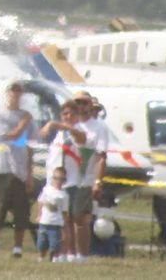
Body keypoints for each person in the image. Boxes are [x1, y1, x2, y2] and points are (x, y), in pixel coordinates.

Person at [0, 81, 37, 258]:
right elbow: (7, 135)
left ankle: (17, 249)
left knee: (21, 211)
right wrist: (23, 124)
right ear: (7, 93)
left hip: (19, 170)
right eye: (12, 91)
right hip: (1, 167)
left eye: (18, 91)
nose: (15, 94)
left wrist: (30, 174)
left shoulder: (27, 117)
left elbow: (29, 146)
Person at [39, 100, 85, 260]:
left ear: (77, 116)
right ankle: (56, 253)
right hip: (53, 183)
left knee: (68, 220)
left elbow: (80, 138)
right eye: (65, 114)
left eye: (72, 114)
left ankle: (70, 253)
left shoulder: (78, 131)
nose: (68, 117)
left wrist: (53, 124)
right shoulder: (58, 135)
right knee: (53, 221)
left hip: (69, 181)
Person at [71, 91, 109, 262]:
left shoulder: (99, 127)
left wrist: (97, 181)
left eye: (84, 102)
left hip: (84, 178)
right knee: (66, 217)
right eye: (77, 102)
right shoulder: (69, 122)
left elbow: (101, 157)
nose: (80, 106)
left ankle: (82, 255)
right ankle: (67, 254)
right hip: (67, 177)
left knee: (79, 217)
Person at [35, 166, 70, 262]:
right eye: (56, 178)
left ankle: (54, 257)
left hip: (56, 223)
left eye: (61, 179)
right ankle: (41, 257)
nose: (58, 181)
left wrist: (65, 225)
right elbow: (41, 202)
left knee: (55, 243)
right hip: (44, 221)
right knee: (42, 242)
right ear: (52, 178)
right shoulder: (46, 190)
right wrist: (39, 215)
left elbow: (64, 211)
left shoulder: (64, 195)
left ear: (64, 181)